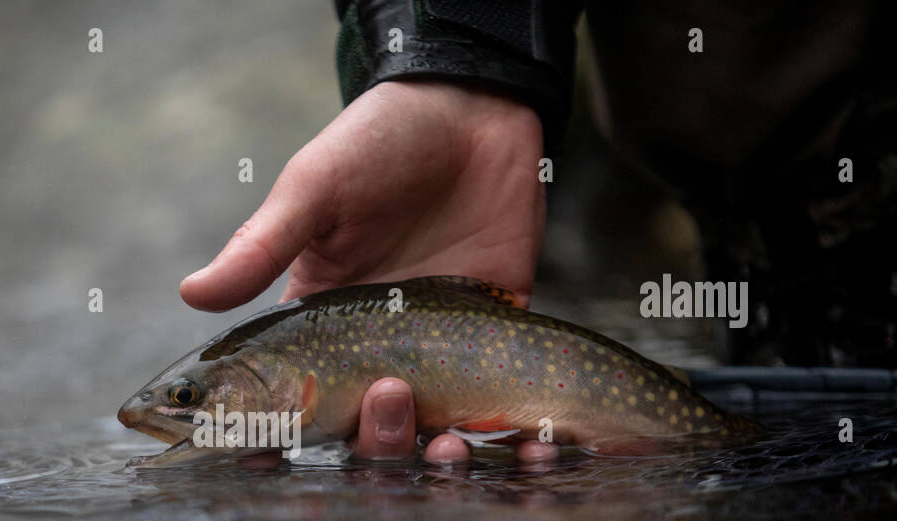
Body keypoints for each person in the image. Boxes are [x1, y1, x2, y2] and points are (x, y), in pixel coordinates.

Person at [179, 0, 896, 464]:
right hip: (795, 240)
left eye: (189, 402)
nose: (175, 414)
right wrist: (456, 56)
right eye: (187, 401)